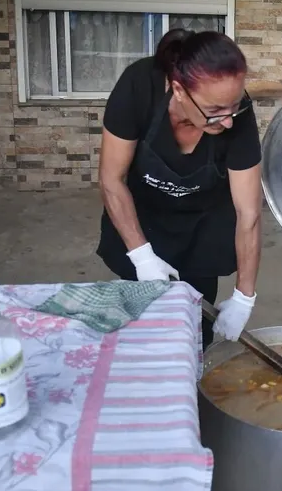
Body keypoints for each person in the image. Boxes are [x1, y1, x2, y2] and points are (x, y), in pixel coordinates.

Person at [97, 29, 263, 349]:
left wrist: (244, 296)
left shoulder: (234, 113)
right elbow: (111, 179)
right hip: (140, 220)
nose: (228, 121)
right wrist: (143, 257)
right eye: (215, 111)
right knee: (140, 333)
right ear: (179, 90)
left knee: (193, 335)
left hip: (203, 229)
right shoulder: (138, 87)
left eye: (234, 107)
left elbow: (249, 213)